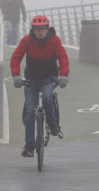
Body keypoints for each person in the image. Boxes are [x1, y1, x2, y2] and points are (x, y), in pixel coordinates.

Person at [10, 15, 69, 158]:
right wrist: (16, 75)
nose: (40, 32)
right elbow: (16, 57)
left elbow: (62, 57)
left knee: (48, 97)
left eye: (43, 29)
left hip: (49, 79)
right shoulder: (26, 41)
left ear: (47, 29)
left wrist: (64, 75)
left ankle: (53, 125)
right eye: (37, 29)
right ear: (33, 30)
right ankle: (29, 147)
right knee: (30, 111)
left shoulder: (54, 41)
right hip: (31, 79)